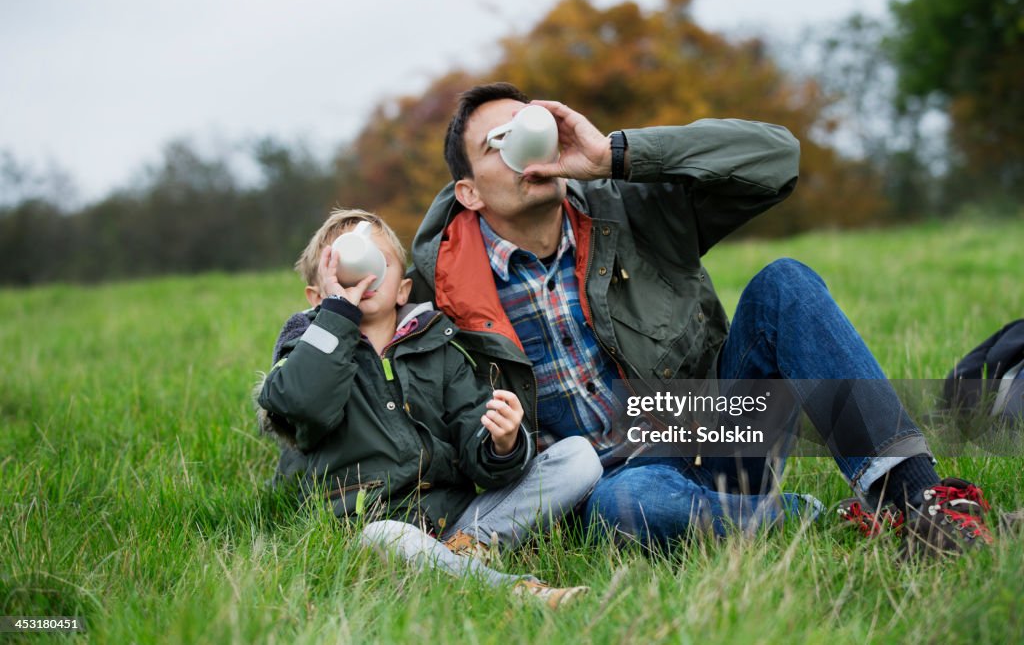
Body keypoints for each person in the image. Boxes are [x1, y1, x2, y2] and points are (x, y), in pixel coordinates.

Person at [407, 82, 994, 555]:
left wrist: (614, 155)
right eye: (498, 144)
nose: (523, 149)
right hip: (609, 486)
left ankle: (920, 503)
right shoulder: (445, 288)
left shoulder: (625, 205)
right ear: (468, 193)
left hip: (713, 428)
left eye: (530, 128)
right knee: (627, 505)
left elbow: (777, 159)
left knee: (783, 284)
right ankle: (817, 519)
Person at [254, 208, 602, 607]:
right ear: (316, 296)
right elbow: (302, 405)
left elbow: (474, 441)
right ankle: (511, 591)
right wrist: (337, 317)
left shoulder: (438, 348)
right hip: (369, 524)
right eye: (343, 264)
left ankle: (462, 552)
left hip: (454, 516)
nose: (361, 273)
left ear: (402, 290)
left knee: (578, 457)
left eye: (377, 263)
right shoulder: (307, 348)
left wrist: (502, 443)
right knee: (391, 538)